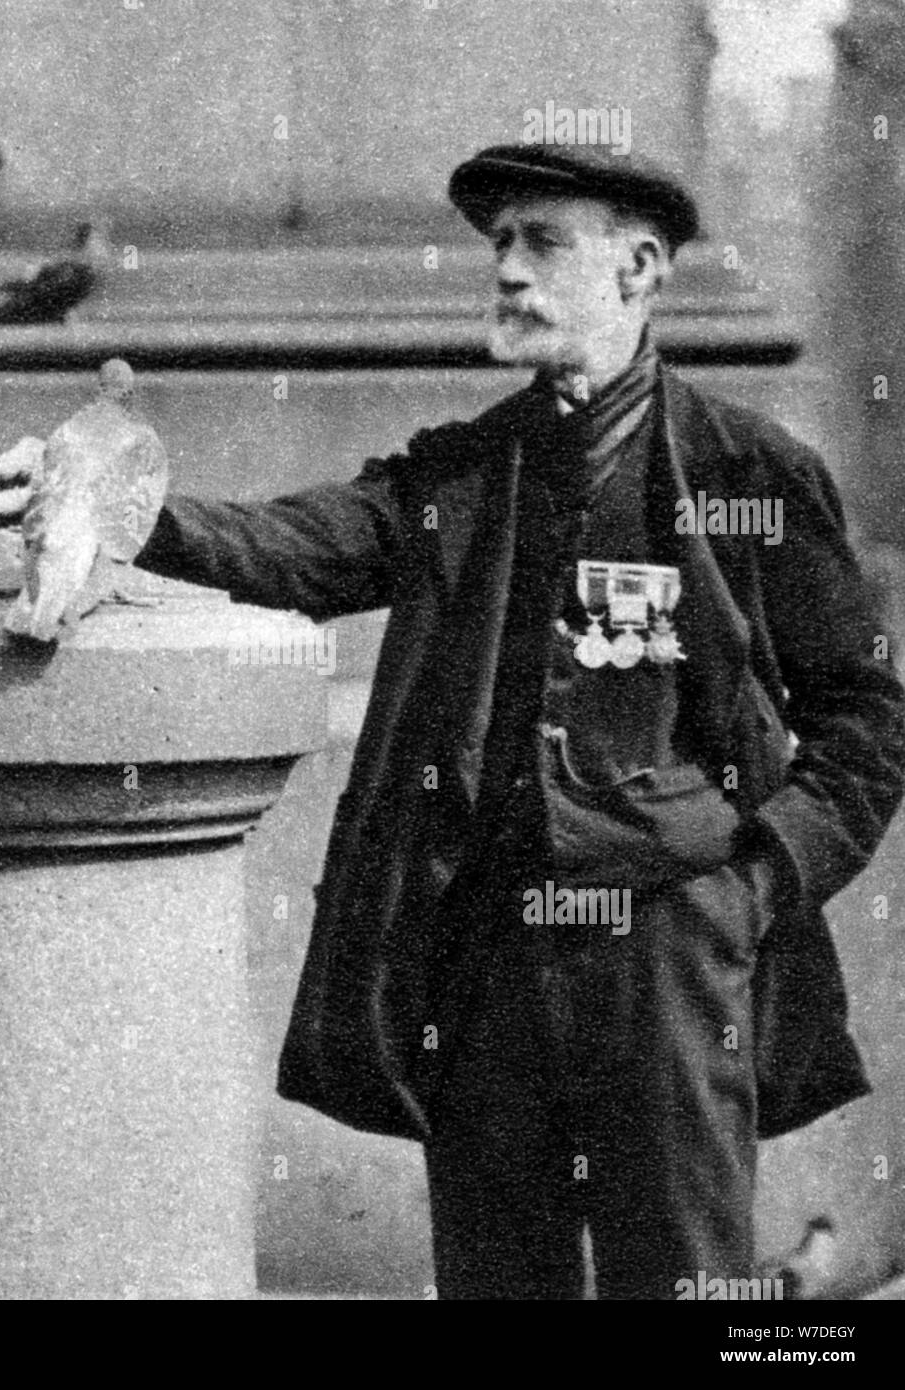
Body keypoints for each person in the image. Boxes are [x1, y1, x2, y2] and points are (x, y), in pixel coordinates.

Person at [134, 143, 905, 1299]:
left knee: (678, 1279)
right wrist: (119, 506)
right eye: (499, 244)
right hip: (484, 952)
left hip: (669, 953)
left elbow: (863, 719)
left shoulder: (746, 469)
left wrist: (749, 890)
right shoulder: (466, 469)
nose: (505, 271)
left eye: (541, 242)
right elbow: (290, 546)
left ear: (639, 268)